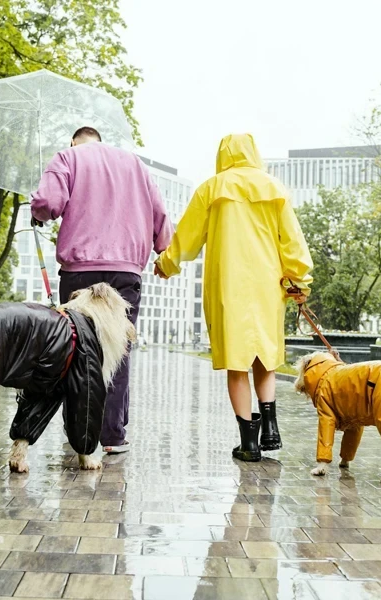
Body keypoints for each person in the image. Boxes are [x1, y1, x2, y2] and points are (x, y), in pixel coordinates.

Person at [154, 133, 313, 462]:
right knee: (265, 357)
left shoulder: (212, 189)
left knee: (237, 363)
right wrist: (299, 281)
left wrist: (166, 264)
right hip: (269, 285)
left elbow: (187, 237)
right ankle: (270, 427)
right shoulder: (274, 188)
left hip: (229, 283)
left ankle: (248, 443)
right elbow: (292, 241)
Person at [31, 126, 171, 454]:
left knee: (75, 350)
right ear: (99, 140)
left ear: (74, 141)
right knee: (117, 350)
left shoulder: (67, 157)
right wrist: (162, 249)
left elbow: (48, 203)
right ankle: (112, 435)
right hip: (125, 272)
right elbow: (160, 217)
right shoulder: (135, 164)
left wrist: (38, 211)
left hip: (81, 273)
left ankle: (80, 433)